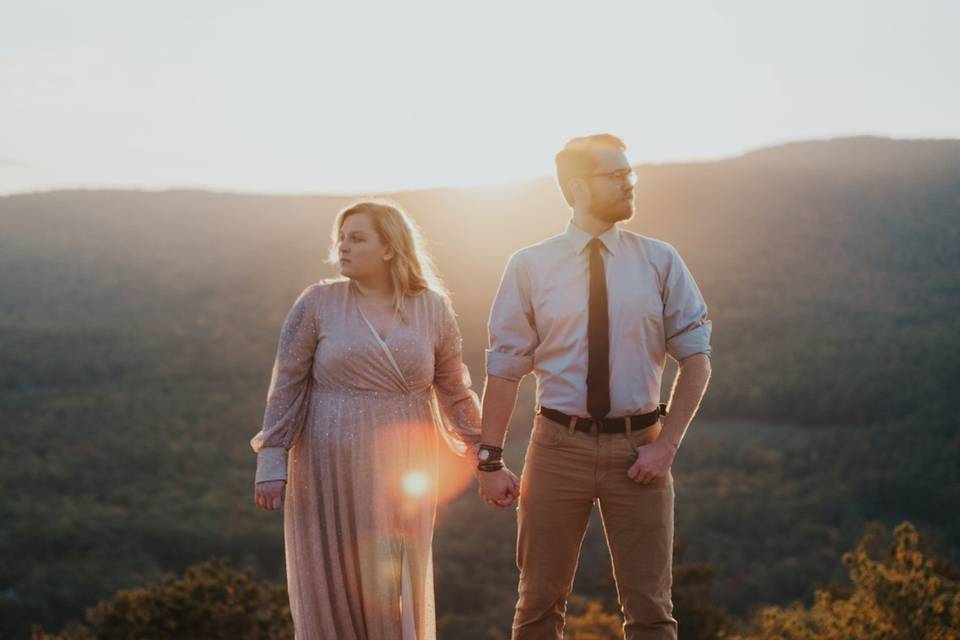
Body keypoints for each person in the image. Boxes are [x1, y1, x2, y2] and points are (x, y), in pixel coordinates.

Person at [476, 134, 713, 639]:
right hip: (557, 448)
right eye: (617, 175)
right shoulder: (530, 265)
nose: (630, 184)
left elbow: (696, 362)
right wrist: (489, 461)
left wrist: (666, 447)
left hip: (641, 452)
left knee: (651, 608)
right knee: (538, 603)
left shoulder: (659, 260)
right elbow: (504, 370)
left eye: (631, 174)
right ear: (579, 186)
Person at [251, 200, 496, 640]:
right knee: (332, 577)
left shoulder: (433, 308)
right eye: (340, 238)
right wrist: (271, 461)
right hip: (325, 465)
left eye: (357, 238)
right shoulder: (317, 303)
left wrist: (484, 455)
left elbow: (455, 389)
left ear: (390, 247)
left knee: (391, 583)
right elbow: (286, 383)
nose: (342, 247)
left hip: (403, 468)